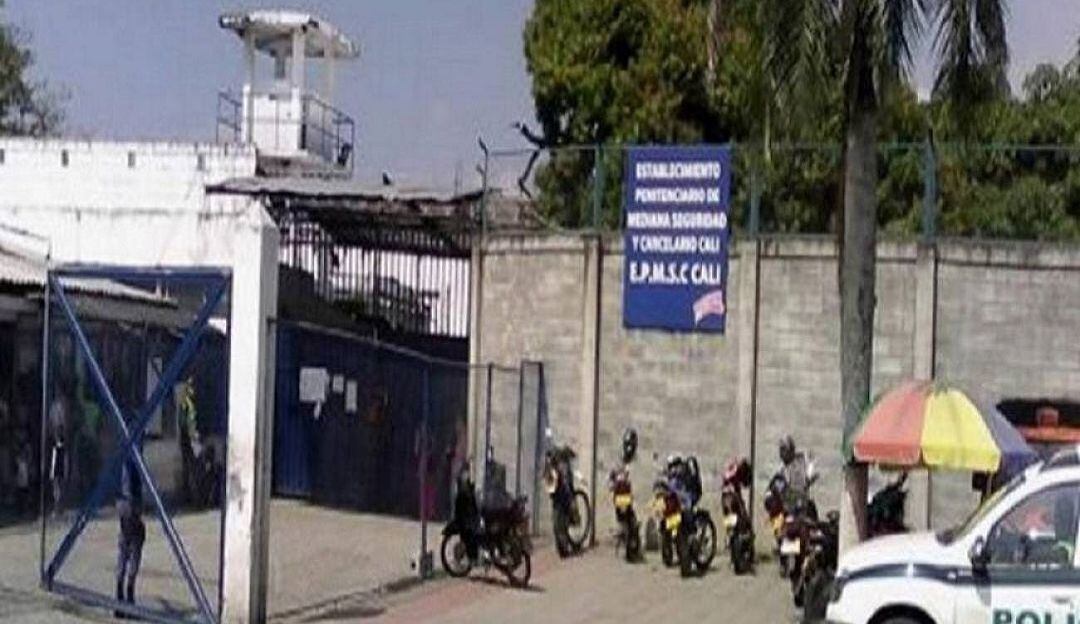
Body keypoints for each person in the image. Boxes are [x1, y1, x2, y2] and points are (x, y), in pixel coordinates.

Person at [115, 458, 145, 618]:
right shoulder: (132, 464)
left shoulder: (123, 463)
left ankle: (120, 597)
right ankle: (128, 596)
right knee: (133, 548)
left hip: (124, 503)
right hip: (130, 503)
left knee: (124, 549)